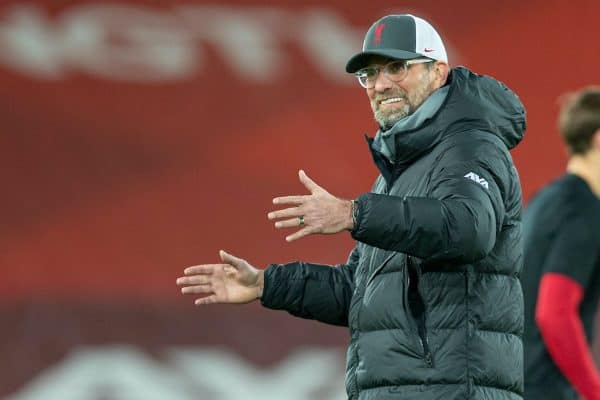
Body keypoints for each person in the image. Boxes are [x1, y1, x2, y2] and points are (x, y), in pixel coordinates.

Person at [177, 14, 526, 400]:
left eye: (397, 67)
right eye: (370, 74)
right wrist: (266, 284)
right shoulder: (403, 168)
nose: (380, 84)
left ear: (438, 71)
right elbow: (358, 294)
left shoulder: (469, 146)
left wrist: (354, 214)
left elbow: (467, 229)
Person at [522, 87, 600, 400]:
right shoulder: (586, 210)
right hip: (547, 388)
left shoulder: (545, 200)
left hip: (513, 381)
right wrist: (594, 391)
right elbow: (554, 312)